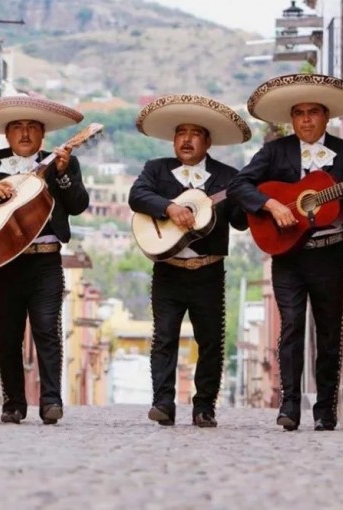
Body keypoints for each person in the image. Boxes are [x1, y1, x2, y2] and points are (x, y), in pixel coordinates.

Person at [227, 74, 343, 431]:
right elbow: (239, 185)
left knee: (329, 332)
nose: (306, 119)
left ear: (326, 116)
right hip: (287, 254)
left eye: (314, 112)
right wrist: (272, 205)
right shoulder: (276, 152)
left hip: (328, 253)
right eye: (299, 113)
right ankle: (289, 407)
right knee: (291, 326)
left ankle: (325, 411)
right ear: (292, 119)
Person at [0, 96, 89, 424]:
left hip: (45, 259)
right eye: (18, 127)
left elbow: (78, 204)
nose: (25, 133)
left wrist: (62, 175)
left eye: (32, 127)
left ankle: (51, 401)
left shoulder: (62, 162)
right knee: (7, 332)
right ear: (7, 134)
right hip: (2, 262)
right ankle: (13, 403)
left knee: (47, 329)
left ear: (43, 134)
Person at [128, 94, 251, 427]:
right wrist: (169, 208)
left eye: (195, 133)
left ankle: (204, 407)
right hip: (168, 270)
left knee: (210, 341)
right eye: (181, 132)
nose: (186, 139)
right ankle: (163, 403)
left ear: (207, 141)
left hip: (208, 271)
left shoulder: (229, 177)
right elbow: (136, 195)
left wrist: (252, 198)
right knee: (164, 337)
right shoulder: (156, 169)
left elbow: (240, 221)